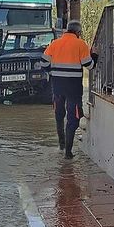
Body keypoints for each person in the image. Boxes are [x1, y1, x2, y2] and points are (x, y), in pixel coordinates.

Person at [43, 20, 93, 159]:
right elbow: (89, 65)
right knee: (74, 118)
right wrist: (94, 56)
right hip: (73, 88)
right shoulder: (81, 44)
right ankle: (68, 153)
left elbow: (43, 62)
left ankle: (61, 145)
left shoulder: (55, 44)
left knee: (59, 115)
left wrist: (52, 71)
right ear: (78, 32)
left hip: (57, 86)